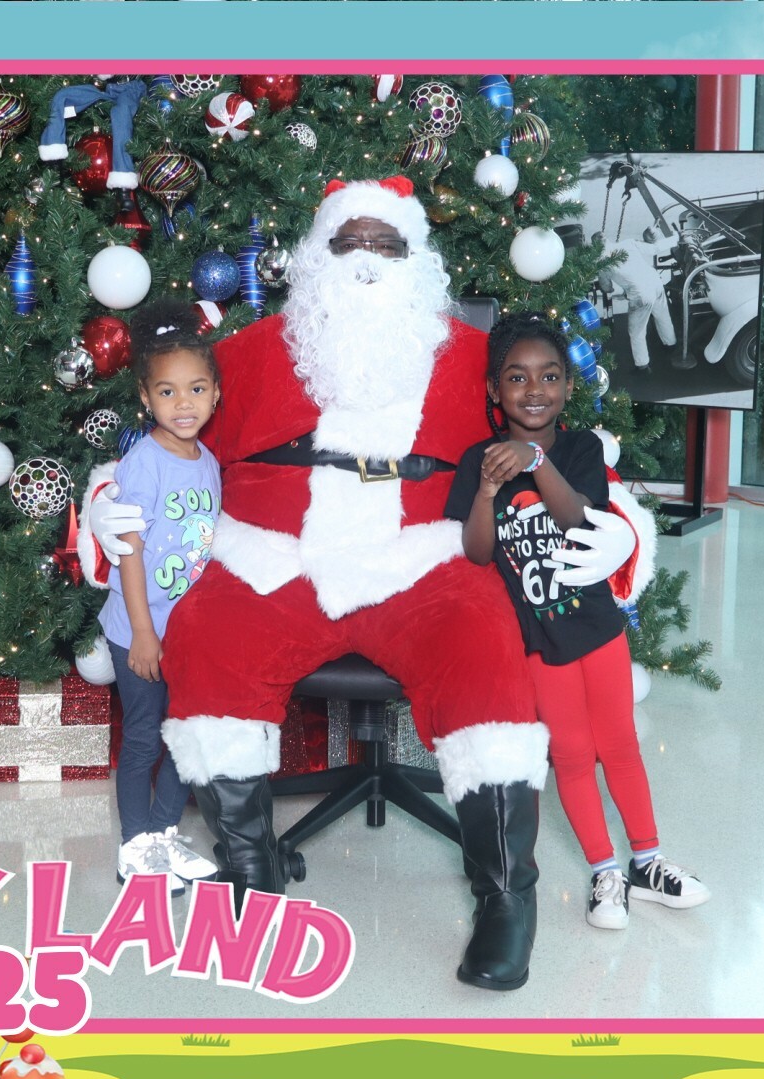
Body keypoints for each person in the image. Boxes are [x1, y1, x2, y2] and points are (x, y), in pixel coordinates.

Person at [79, 176, 656, 991]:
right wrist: (106, 505)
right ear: (318, 255)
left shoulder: (471, 357)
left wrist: (620, 528)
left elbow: (556, 440)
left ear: (416, 260)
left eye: (386, 245)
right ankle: (252, 870)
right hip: (272, 555)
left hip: (424, 555)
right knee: (205, 637)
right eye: (349, 242)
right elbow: (165, 437)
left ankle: (505, 896)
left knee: (486, 651)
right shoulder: (249, 352)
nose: (366, 261)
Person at [447, 313, 710, 931]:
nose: (534, 389)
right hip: (539, 642)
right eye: (517, 377)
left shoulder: (580, 449)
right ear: (494, 389)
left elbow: (577, 518)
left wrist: (536, 458)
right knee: (569, 754)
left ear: (567, 386)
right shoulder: (478, 460)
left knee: (618, 744)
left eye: (549, 376)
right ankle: (604, 871)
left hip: (597, 628)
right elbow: (478, 552)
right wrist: (486, 490)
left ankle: (647, 861)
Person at [94, 302, 223, 895]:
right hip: (138, 630)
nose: (184, 403)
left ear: (215, 392)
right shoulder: (144, 463)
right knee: (146, 735)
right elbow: (129, 552)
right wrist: (144, 632)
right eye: (168, 392)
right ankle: (134, 844)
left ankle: (164, 835)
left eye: (196, 389)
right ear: (146, 399)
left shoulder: (208, 463)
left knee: (184, 734)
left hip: (188, 630)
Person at [606, 226, 677, 371]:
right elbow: (655, 248)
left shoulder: (603, 263)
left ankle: (642, 366)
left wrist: (617, 290)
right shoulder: (628, 243)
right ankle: (671, 345)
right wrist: (676, 238)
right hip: (655, 283)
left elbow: (606, 287)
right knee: (663, 316)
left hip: (641, 296)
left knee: (637, 332)